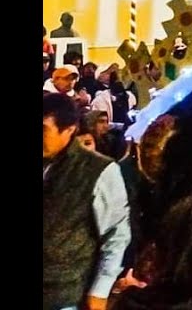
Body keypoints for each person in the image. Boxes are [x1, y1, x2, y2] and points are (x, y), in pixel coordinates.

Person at [44, 93, 131, 310]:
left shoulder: (98, 170)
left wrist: (100, 290)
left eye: (43, 129)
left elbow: (116, 235)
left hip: (64, 295)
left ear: (69, 129)